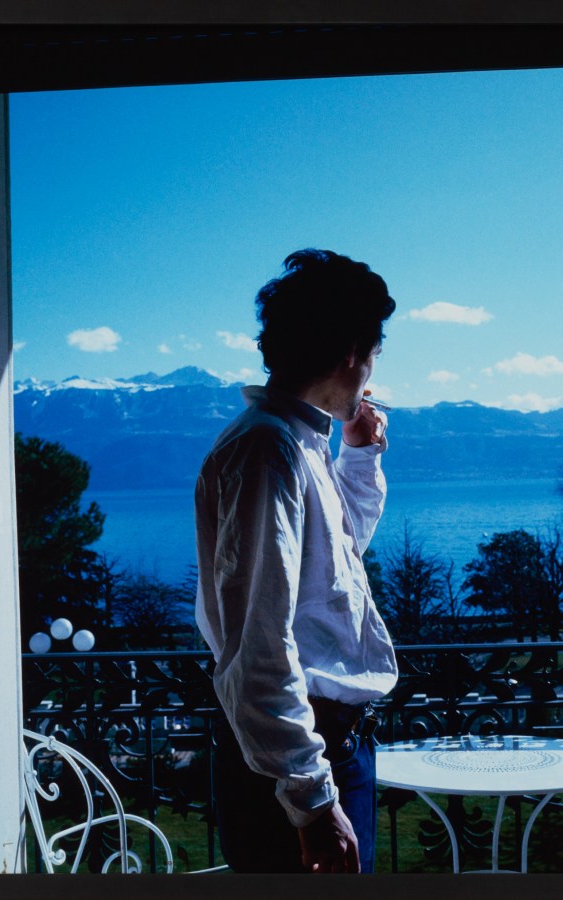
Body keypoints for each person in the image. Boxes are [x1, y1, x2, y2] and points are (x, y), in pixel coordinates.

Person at [194, 249, 398, 874]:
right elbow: (257, 643)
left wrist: (359, 457)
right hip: (299, 764)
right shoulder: (269, 451)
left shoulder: (297, 443)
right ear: (350, 355)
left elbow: (332, 572)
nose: (370, 373)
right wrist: (310, 801)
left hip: (317, 754)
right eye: (373, 355)